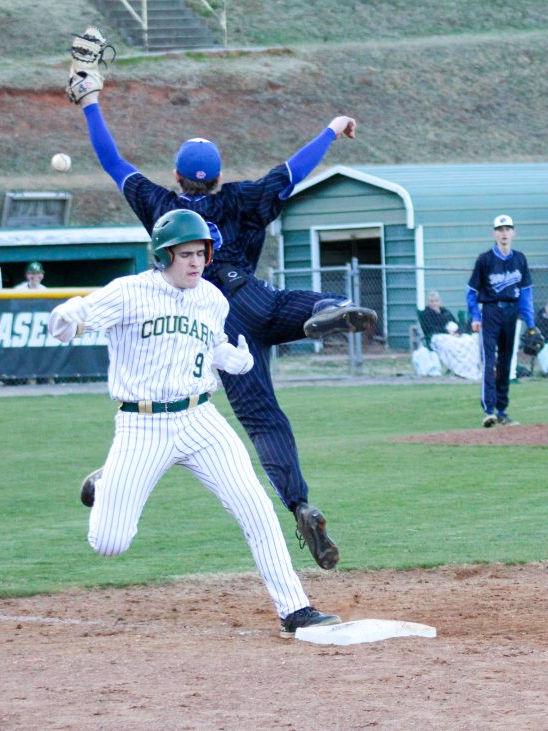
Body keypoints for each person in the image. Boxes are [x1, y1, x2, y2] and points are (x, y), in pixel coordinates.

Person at [70, 58, 378, 571]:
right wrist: (331, 129)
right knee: (296, 307)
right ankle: (330, 312)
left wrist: (91, 104)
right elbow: (294, 171)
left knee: (251, 419)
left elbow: (113, 161)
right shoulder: (245, 198)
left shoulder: (164, 208)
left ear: (178, 176)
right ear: (217, 176)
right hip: (253, 301)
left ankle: (294, 500)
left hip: (204, 327)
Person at [49, 209, 341, 638]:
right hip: (142, 425)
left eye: (200, 253)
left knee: (255, 507)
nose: (195, 262)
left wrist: (234, 359)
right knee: (110, 543)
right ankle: (109, 479)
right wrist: (69, 316)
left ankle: (294, 610)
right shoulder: (129, 292)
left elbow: (213, 344)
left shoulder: (212, 298)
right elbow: (67, 323)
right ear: (163, 256)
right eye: (184, 254)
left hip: (201, 419)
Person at [466, 214, 536, 427]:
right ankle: (489, 411)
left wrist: (531, 325)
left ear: (513, 233)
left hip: (511, 312)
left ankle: (502, 410)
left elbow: (526, 294)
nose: (504, 233)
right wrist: (475, 316)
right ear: (494, 233)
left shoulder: (520, 259)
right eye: (500, 229)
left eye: (508, 229)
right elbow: (471, 292)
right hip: (491, 311)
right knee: (490, 360)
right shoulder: (485, 259)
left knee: (506, 361)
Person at [420, 292, 482, 381]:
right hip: (437, 337)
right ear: (428, 302)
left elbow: (455, 323)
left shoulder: (445, 312)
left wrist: (456, 332)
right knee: (452, 345)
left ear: (439, 302)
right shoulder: (426, 314)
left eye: (436, 301)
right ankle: (459, 369)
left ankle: (469, 368)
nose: (434, 303)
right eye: (431, 301)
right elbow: (429, 328)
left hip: (452, 334)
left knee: (468, 341)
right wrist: (446, 331)